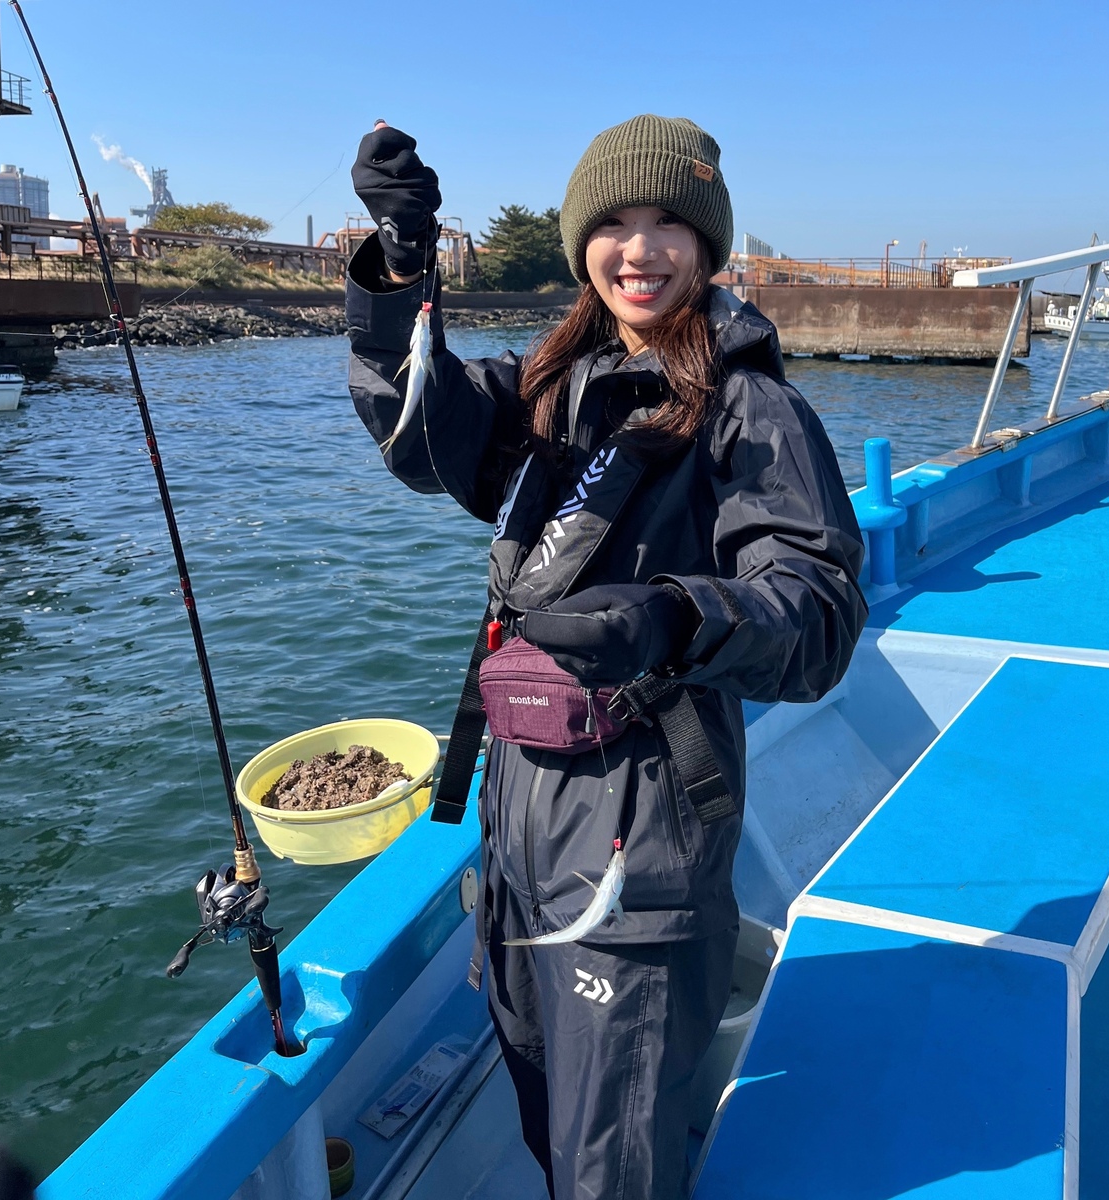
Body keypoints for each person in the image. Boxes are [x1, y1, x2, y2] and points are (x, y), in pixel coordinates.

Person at [347, 114, 867, 1200]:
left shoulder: (750, 406)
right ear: (584, 242)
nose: (641, 249)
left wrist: (677, 616)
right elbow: (412, 428)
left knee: (611, 1166)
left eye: (671, 223)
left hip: (644, 848)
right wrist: (398, 270)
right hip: (519, 829)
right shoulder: (549, 384)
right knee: (546, 1117)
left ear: (709, 245)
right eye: (616, 223)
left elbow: (816, 612)